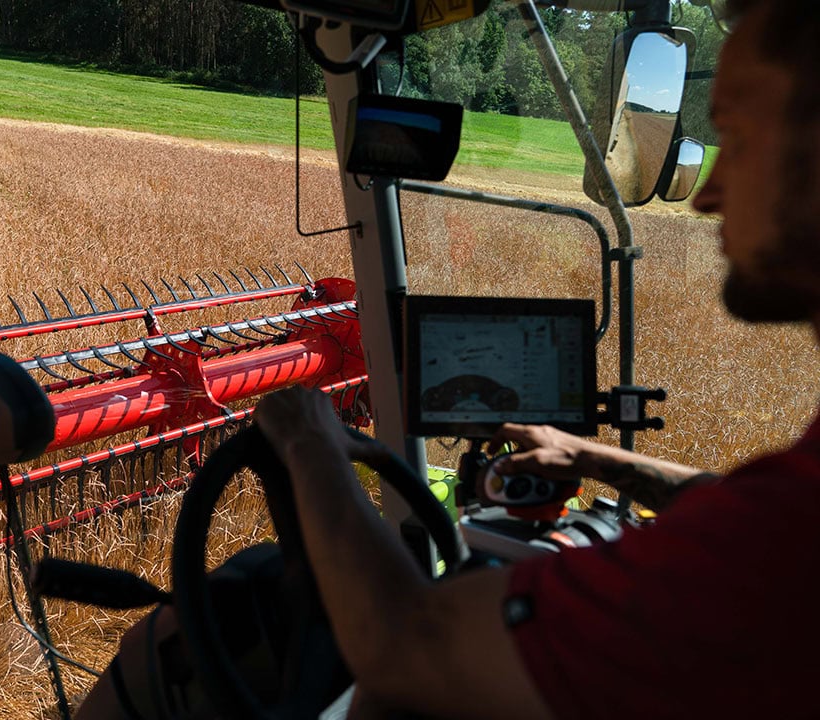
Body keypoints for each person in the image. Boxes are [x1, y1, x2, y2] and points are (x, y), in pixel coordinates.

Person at [253, 1, 820, 717]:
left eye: (735, 137)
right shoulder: (791, 513)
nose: (707, 195)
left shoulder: (787, 541)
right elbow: (739, 517)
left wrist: (309, 440)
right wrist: (592, 459)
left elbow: (406, 645)